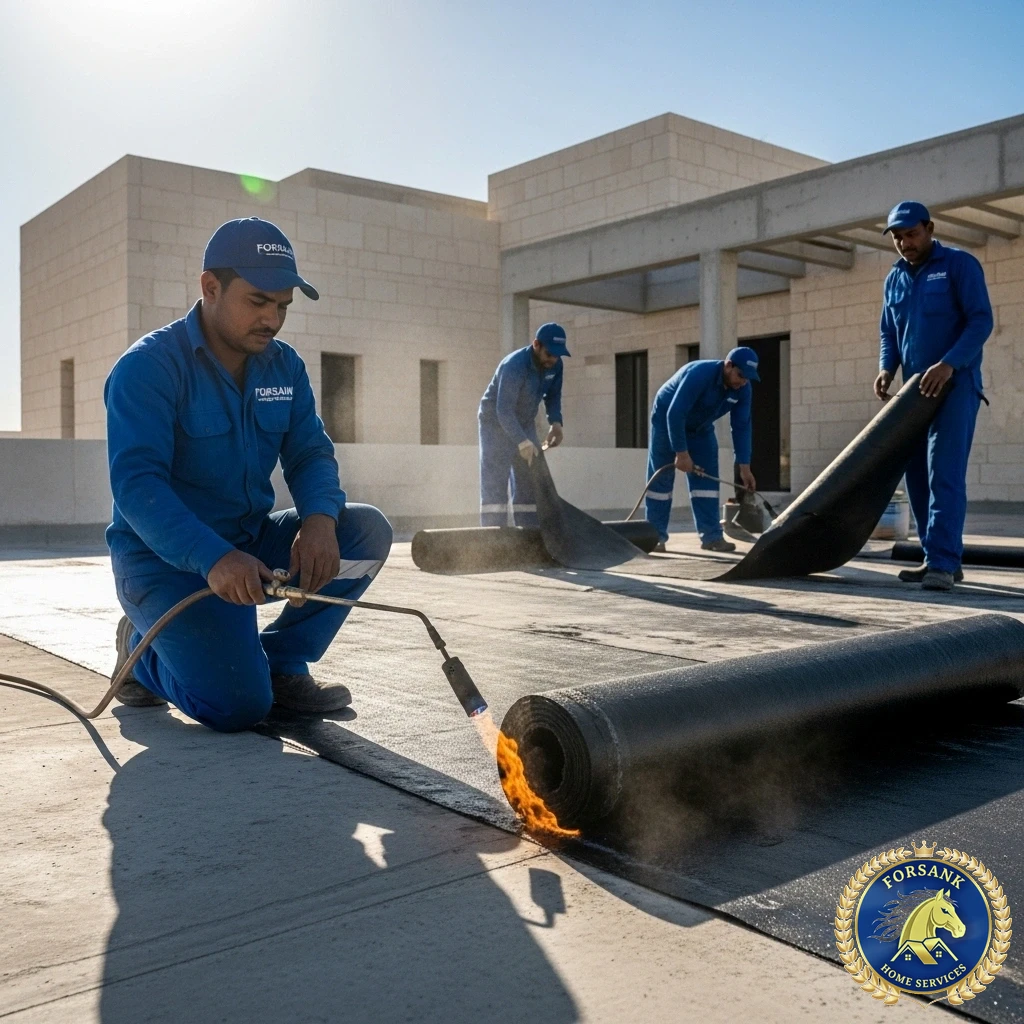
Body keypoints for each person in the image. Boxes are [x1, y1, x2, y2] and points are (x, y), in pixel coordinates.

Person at [104, 217, 393, 731]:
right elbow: (137, 485)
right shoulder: (148, 368)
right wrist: (213, 557)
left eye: (282, 306)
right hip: (165, 562)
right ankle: (139, 652)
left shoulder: (284, 368)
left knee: (363, 530)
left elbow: (309, 453)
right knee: (236, 707)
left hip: (248, 542)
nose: (273, 319)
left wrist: (320, 521)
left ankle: (283, 663)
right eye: (258, 301)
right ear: (210, 287)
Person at [874, 201, 993, 592]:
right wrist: (886, 368)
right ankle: (934, 558)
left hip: (955, 387)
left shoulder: (959, 265)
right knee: (916, 478)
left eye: (911, 234)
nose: (904, 243)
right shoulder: (894, 279)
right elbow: (889, 333)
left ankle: (944, 561)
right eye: (897, 237)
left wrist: (949, 364)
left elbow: (980, 321)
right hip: (914, 394)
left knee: (944, 472)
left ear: (929, 228)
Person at [645, 347, 760, 552]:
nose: (742, 382)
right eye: (740, 375)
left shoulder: (743, 389)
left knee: (706, 479)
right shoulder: (699, 374)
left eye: (747, 379)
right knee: (661, 477)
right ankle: (654, 536)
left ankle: (711, 537)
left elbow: (742, 426)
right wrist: (681, 453)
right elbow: (675, 414)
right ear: (728, 365)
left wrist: (744, 466)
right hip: (667, 419)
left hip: (701, 427)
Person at [477, 323, 569, 527]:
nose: (553, 359)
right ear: (536, 344)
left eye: (557, 355)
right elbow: (504, 410)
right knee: (495, 482)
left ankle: (529, 533)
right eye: (549, 354)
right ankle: (493, 540)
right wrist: (522, 441)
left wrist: (556, 422)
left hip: (524, 421)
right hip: (495, 424)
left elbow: (553, 396)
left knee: (529, 480)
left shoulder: (556, 365)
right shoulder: (514, 366)